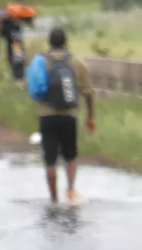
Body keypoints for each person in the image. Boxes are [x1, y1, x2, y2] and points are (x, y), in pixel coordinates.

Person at [35, 27, 96, 204]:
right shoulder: (76, 62)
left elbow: (32, 87)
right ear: (65, 42)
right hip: (69, 115)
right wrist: (90, 116)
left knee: (50, 159)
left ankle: (53, 198)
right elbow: (88, 93)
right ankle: (70, 190)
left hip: (46, 115)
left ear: (49, 42)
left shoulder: (41, 62)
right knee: (70, 155)